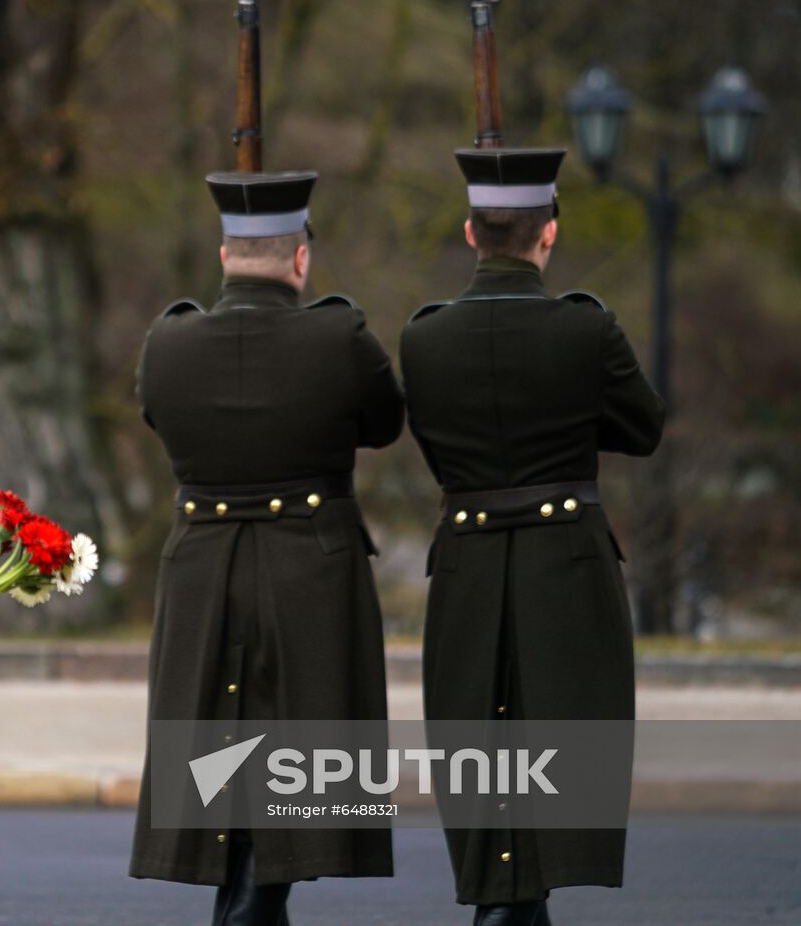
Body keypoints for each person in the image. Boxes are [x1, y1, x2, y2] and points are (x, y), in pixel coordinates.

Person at [399, 147, 666, 926]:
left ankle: (503, 907)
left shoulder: (423, 338)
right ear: (548, 234)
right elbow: (643, 428)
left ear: (470, 232)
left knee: (479, 745)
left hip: (469, 562)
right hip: (567, 562)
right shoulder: (584, 329)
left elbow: (437, 445)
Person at [129, 170, 404, 924]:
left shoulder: (168, 340)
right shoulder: (340, 337)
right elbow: (384, 423)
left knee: (225, 770)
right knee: (292, 779)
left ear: (224, 253)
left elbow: (155, 412)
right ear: (301, 259)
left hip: (203, 569)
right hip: (310, 567)